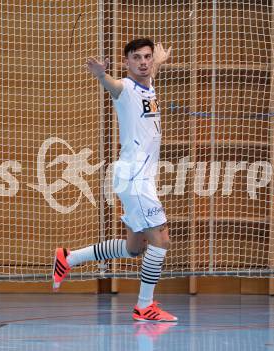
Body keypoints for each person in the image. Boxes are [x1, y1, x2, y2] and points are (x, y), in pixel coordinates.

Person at [53, 38, 176, 322]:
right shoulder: (126, 88)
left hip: (138, 176)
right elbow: (114, 86)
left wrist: (159, 60)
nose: (144, 62)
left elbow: (149, 73)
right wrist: (100, 75)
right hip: (134, 177)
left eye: (147, 57)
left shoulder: (147, 84)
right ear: (126, 62)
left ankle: (68, 258)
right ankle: (144, 306)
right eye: (137, 58)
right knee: (161, 240)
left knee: (135, 248)